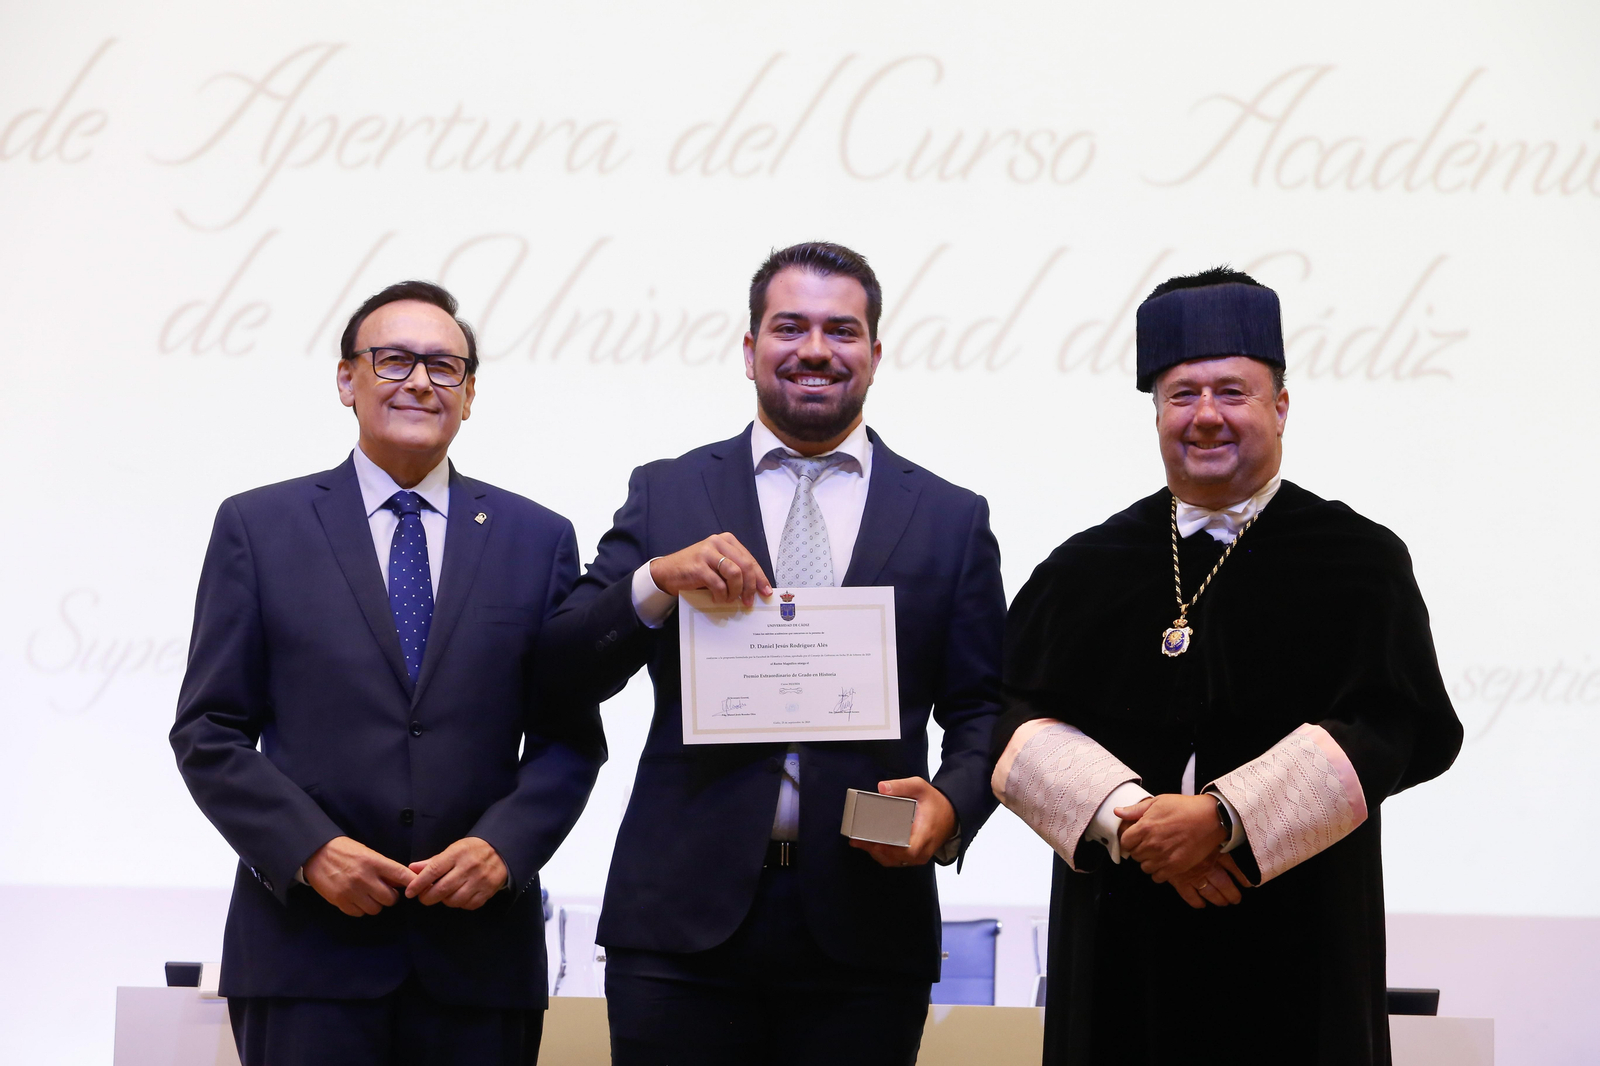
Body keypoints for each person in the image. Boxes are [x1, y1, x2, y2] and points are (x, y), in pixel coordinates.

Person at [539, 242, 1006, 1065]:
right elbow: (561, 666)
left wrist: (952, 807)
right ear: (750, 349)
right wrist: (654, 582)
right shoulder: (669, 491)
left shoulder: (949, 516)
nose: (816, 350)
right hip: (680, 925)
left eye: (842, 330)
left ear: (875, 354)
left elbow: (982, 708)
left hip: (868, 920)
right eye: (790, 327)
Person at [991, 267, 1463, 1065]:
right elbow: (1007, 719)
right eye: (1182, 395)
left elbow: (1395, 725)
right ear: (1155, 413)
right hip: (1121, 951)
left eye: (1233, 392)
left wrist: (1222, 820)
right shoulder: (1083, 569)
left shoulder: (1359, 562)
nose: (1206, 416)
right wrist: (1132, 821)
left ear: (1281, 405)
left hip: (1295, 946)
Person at [170, 280, 604, 1066]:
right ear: (347, 380)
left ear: (470, 395)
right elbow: (209, 729)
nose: (418, 382)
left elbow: (568, 739)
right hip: (305, 954)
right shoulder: (258, 527)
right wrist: (308, 849)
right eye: (394, 359)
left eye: (444, 367)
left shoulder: (536, 538)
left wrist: (505, 849)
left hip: (478, 964)